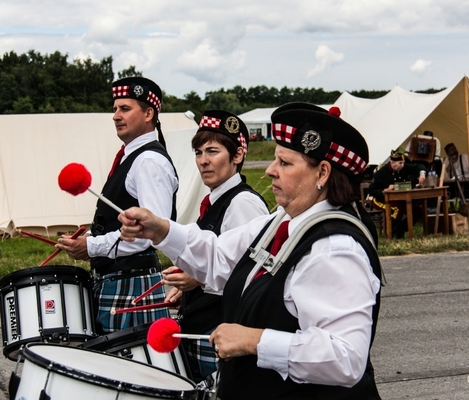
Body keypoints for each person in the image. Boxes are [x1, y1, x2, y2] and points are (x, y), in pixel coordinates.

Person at [118, 103, 383, 399]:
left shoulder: (335, 248)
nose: (270, 171)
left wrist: (255, 340)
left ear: (322, 172)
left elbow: (345, 357)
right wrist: (161, 230)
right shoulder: (281, 221)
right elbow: (219, 257)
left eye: (284, 162)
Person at [56, 76, 178, 334]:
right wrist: (90, 236)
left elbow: (150, 234)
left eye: (125, 108)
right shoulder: (131, 157)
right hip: (119, 279)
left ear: (148, 113)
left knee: (131, 370)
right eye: (114, 109)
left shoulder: (148, 162)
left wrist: (91, 246)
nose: (115, 116)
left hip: (132, 282)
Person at [163, 110, 269, 384]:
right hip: (202, 328)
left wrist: (198, 279)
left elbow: (253, 277)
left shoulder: (243, 203)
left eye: (212, 151)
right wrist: (188, 281)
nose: (203, 161)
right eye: (198, 153)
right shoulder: (215, 201)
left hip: (220, 331)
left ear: (237, 156)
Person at [369, 150, 426, 238]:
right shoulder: (381, 173)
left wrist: (422, 174)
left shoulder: (403, 168)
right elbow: (371, 190)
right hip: (381, 199)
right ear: (392, 162)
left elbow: (418, 166)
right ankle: (391, 233)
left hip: (398, 199)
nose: (402, 165)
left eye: (403, 163)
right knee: (397, 209)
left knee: (418, 211)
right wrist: (386, 190)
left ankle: (400, 230)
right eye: (400, 163)